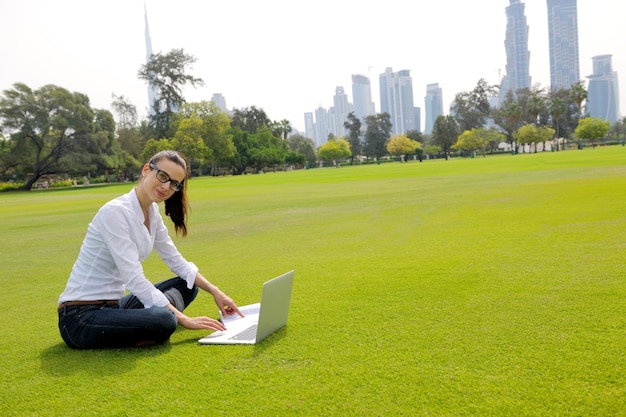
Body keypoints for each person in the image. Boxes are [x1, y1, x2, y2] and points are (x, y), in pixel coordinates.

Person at [57, 150, 242, 349]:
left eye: (173, 184)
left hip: (114, 306)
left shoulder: (152, 214)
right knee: (165, 319)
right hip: (80, 317)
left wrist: (216, 291)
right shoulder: (115, 212)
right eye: (162, 176)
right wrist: (182, 318)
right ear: (146, 170)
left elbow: (176, 261)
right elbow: (134, 278)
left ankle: (143, 325)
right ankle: (151, 326)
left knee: (188, 285)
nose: (166, 187)